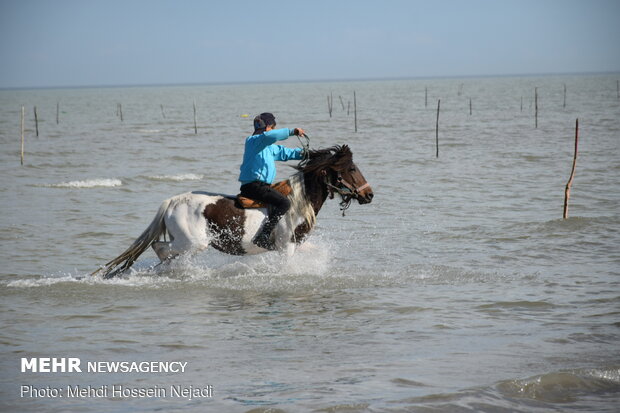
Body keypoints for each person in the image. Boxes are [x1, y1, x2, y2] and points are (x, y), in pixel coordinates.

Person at [238, 112, 306, 250]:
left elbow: (285, 153)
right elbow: (269, 136)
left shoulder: (266, 146)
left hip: (261, 186)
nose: (274, 130)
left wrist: (305, 153)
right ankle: (263, 235)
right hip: (253, 186)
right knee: (284, 202)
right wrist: (292, 132)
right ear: (268, 127)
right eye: (273, 128)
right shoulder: (253, 141)